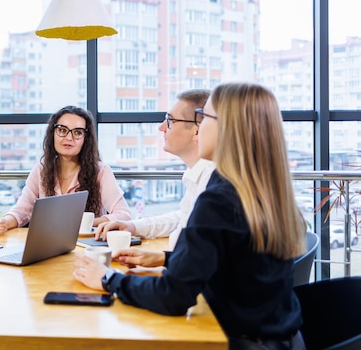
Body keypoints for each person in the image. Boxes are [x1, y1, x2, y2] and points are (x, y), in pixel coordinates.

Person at [73, 82, 307, 349]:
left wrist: (107, 278)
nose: (200, 126)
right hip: (284, 339)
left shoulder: (220, 198)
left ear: (227, 128)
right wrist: (171, 260)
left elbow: (174, 298)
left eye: (205, 116)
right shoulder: (261, 189)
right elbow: (238, 262)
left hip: (240, 342)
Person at [95, 89, 214, 250]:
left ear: (196, 131)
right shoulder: (199, 174)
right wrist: (134, 227)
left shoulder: (213, 183)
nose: (161, 127)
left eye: (170, 120)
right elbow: (183, 218)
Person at [0, 105, 131, 234]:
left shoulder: (101, 171)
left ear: (85, 139)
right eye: (62, 130)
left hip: (87, 248)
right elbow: (21, 211)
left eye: (77, 132)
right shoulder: (40, 170)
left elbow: (124, 215)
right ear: (53, 134)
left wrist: (88, 223)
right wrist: (4, 222)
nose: (69, 138)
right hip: (47, 245)